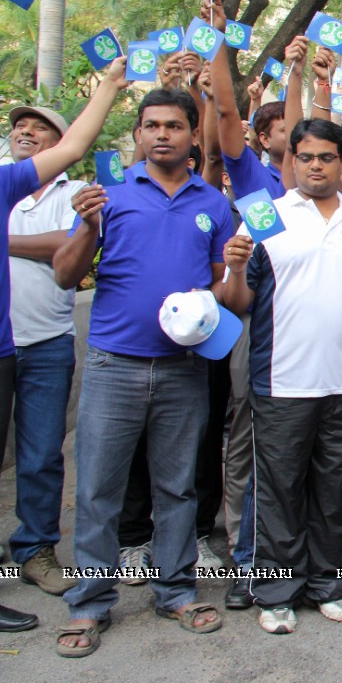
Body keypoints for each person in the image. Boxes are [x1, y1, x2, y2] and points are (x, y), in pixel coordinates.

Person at [53, 76, 234, 656]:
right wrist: (86, 226)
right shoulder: (108, 196)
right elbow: (64, 275)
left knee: (177, 487)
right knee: (100, 490)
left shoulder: (213, 204)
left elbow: (218, 290)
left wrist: (229, 270)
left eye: (174, 126)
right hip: (113, 366)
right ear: (137, 136)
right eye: (152, 126)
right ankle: (89, 604)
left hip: (183, 368)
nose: (162, 135)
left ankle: (177, 591)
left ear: (191, 138)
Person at [222, 118, 342, 634]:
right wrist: (232, 268)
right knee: (278, 491)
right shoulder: (263, 216)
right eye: (305, 157)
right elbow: (237, 304)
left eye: (325, 157)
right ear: (290, 160)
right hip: (281, 383)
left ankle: (329, 584)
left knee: (334, 490)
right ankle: (275, 591)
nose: (315, 166)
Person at [6, 105, 84, 596]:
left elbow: (67, 243)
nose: (27, 133)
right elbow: (47, 245)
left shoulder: (73, 192)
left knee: (39, 454)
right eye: (20, 126)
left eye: (41, 128)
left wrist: (1, 239)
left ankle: (36, 548)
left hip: (46, 343)